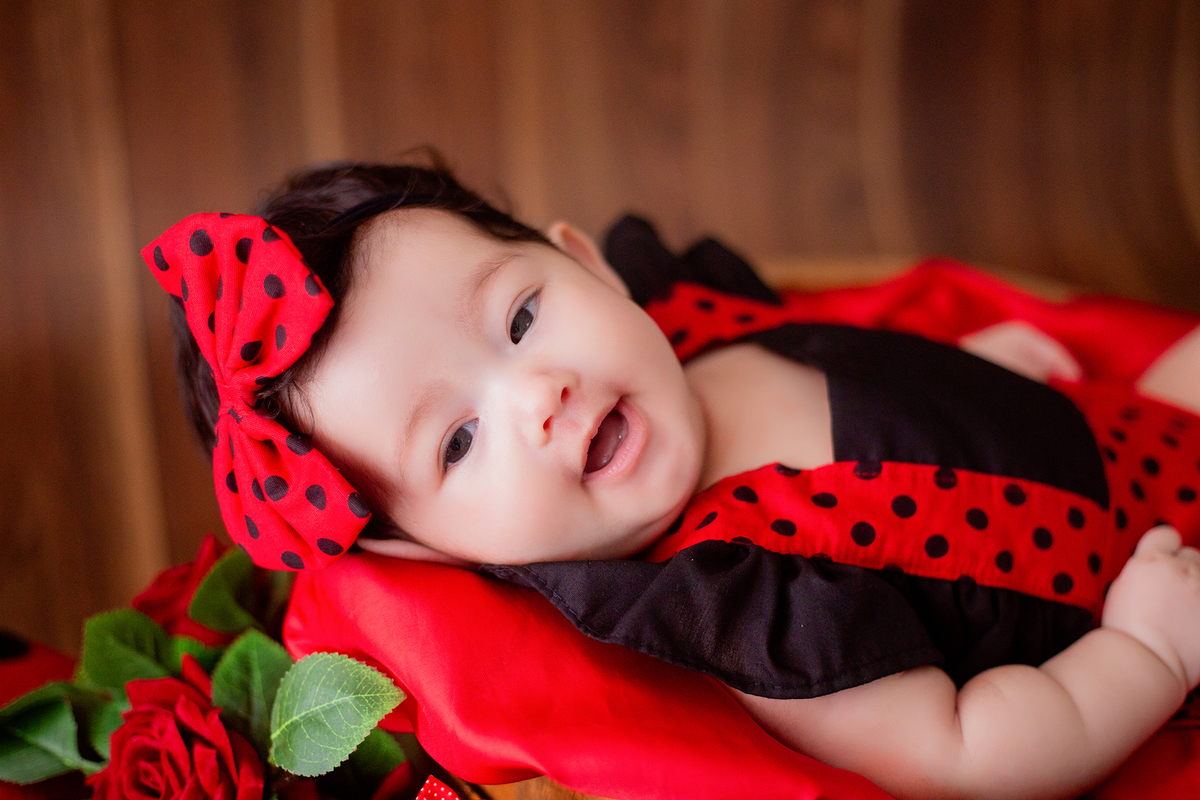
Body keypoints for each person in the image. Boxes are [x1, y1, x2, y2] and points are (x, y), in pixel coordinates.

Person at [149, 158, 1200, 800]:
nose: (540, 394)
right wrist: (1146, 653)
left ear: (586, 262)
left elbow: (863, 364)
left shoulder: (693, 327)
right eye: (458, 442)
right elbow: (960, 755)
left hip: (1117, 430)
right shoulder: (742, 599)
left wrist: (970, 370)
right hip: (1134, 590)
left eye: (522, 317)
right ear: (427, 548)